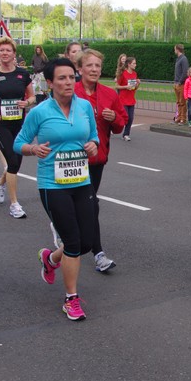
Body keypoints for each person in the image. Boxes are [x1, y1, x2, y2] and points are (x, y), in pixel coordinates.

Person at [14, 58, 99, 321]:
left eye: (72, 77)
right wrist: (33, 149)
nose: (68, 82)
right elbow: (19, 143)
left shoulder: (85, 107)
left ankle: (50, 259)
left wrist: (93, 145)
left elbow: (93, 136)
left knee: (86, 243)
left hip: (82, 181)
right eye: (62, 78)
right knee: (72, 242)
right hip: (53, 185)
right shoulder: (40, 112)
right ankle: (71, 299)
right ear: (50, 83)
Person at [74, 49, 128, 273]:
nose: (94, 69)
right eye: (89, 65)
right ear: (80, 69)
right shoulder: (70, 91)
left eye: (97, 66)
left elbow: (120, 125)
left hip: (97, 159)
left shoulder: (109, 94)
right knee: (90, 204)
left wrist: (114, 117)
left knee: (86, 204)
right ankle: (98, 253)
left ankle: (67, 231)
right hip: (73, 159)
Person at [0, 36, 35, 219]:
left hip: (19, 123)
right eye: (1, 50)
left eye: (8, 50)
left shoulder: (23, 74)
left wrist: (27, 102)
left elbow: (32, 96)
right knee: (12, 160)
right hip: (0, 123)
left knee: (15, 163)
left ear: (14, 54)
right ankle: (14, 204)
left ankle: (0, 182)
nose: (4, 53)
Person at [116, 56, 139, 141]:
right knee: (125, 117)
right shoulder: (123, 74)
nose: (135, 65)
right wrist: (126, 86)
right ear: (129, 64)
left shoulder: (134, 74)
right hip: (123, 99)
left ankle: (126, 134)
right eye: (134, 63)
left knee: (131, 118)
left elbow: (134, 88)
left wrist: (138, 84)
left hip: (131, 99)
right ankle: (113, 125)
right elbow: (117, 86)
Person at [173, 44, 189, 124]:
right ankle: (178, 117)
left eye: (175, 49)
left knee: (182, 102)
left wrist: (180, 82)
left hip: (181, 84)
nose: (174, 50)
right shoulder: (178, 59)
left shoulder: (183, 59)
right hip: (176, 83)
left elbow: (185, 72)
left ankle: (183, 118)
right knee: (178, 102)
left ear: (178, 49)